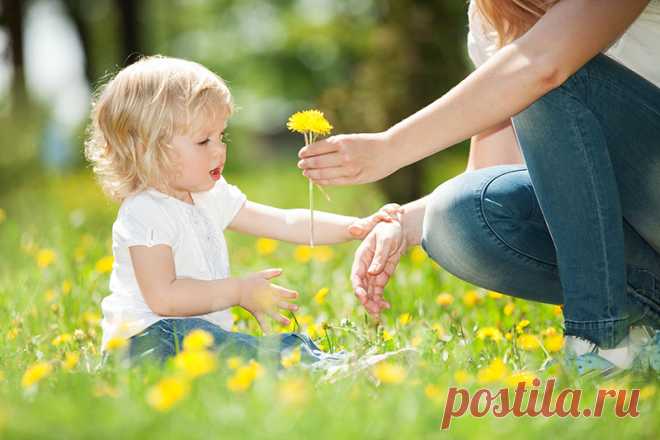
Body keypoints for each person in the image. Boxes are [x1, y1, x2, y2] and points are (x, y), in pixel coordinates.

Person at [297, 0, 660, 375]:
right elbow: (489, 174)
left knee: (534, 75)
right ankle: (648, 326)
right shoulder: (492, 15)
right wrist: (401, 223)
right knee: (458, 214)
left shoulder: (534, 62)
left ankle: (600, 343)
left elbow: (544, 65)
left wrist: (389, 148)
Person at [84, 55, 397, 365]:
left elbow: (284, 222)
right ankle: (330, 370)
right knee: (243, 351)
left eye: (221, 136)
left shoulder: (208, 196)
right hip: (146, 344)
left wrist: (354, 226)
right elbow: (163, 297)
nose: (219, 149)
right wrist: (237, 291)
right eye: (203, 140)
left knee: (255, 349)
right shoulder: (146, 211)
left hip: (194, 335)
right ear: (147, 149)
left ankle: (334, 366)